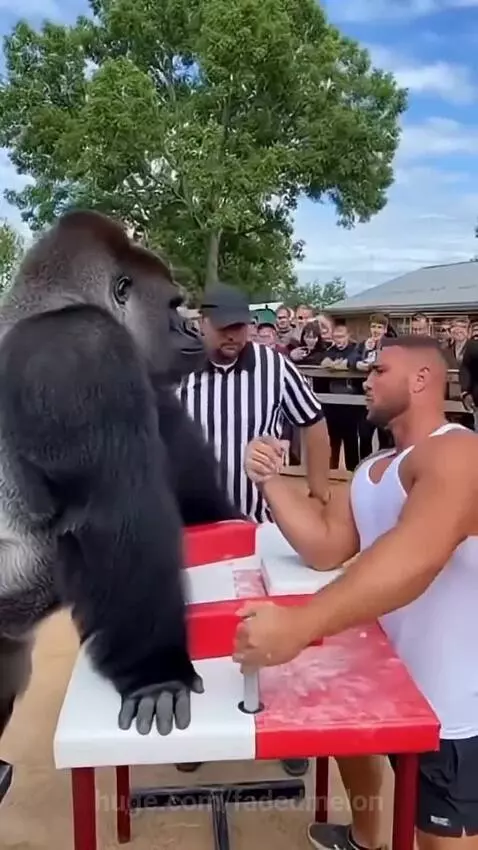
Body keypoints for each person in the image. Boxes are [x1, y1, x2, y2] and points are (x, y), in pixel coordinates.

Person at [235, 334, 478, 850]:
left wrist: (301, 625)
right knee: (363, 763)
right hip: (394, 690)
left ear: (421, 380)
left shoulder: (459, 452)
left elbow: (418, 554)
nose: (366, 379)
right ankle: (366, 839)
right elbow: (325, 547)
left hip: (456, 707)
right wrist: (270, 479)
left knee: (438, 841)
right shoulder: (372, 469)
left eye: (379, 371)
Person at [179, 282, 331, 777]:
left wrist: (318, 493)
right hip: (191, 526)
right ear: (201, 322)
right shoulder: (173, 370)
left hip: (254, 524)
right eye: (223, 326)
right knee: (194, 625)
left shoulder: (274, 366)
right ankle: (193, 728)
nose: (234, 335)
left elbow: (313, 420)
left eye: (241, 325)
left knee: (261, 622)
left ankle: (282, 727)